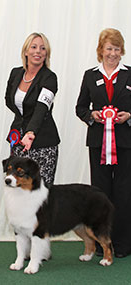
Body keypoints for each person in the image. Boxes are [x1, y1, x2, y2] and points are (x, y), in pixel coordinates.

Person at [76, 28, 131, 258]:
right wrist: (92, 116)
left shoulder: (130, 74)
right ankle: (101, 243)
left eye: (117, 49)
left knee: (124, 193)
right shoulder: (90, 75)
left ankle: (123, 244)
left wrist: (130, 115)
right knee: (100, 194)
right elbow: (80, 108)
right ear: (101, 50)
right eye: (109, 48)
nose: (112, 53)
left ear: (122, 51)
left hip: (125, 143)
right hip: (99, 143)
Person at [5, 32, 60, 185]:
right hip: (18, 139)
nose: (38, 51)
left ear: (46, 53)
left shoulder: (49, 77)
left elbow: (42, 107)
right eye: (34, 47)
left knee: (40, 193)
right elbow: (9, 101)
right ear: (26, 51)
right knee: (17, 189)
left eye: (43, 48)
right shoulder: (15, 73)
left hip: (43, 142)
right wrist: (21, 121)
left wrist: (30, 132)